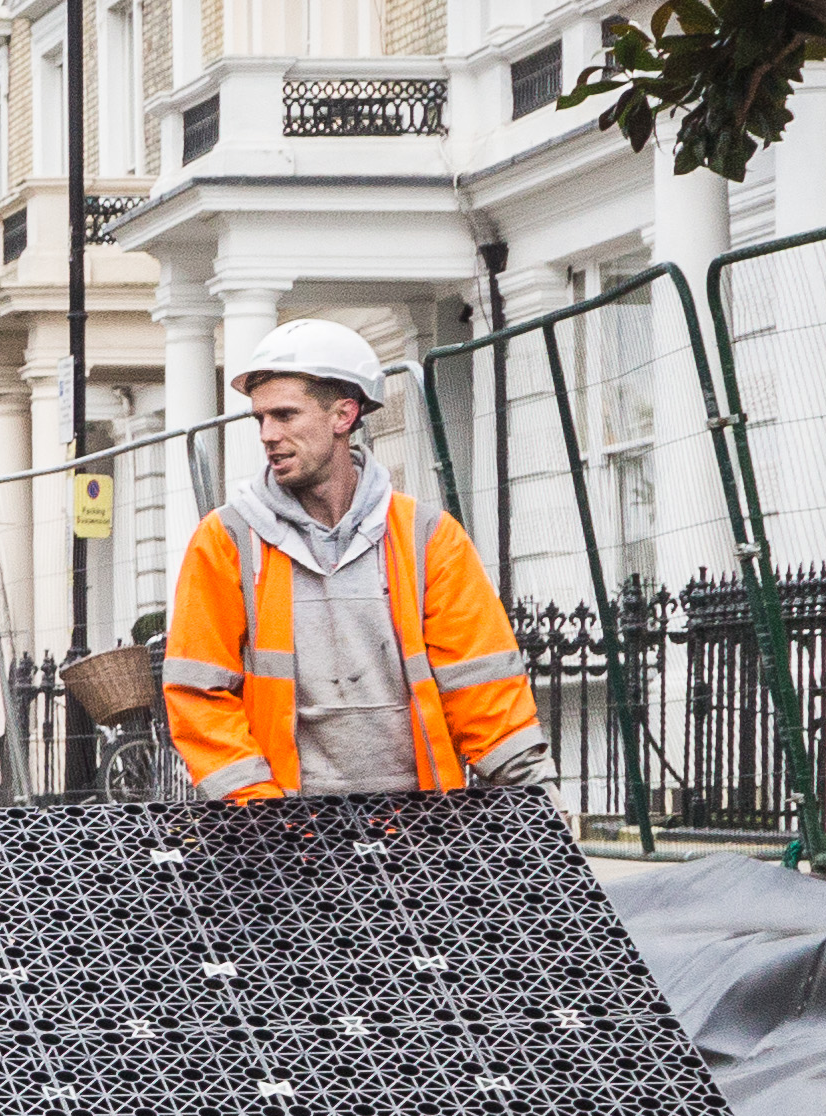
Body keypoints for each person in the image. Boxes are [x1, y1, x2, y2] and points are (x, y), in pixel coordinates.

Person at [164, 319, 545, 799]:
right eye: (259, 418)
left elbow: (483, 686)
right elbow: (198, 695)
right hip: (285, 838)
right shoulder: (226, 540)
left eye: (284, 415)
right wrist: (258, 813)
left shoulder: (427, 537)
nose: (266, 433)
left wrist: (536, 795)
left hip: (416, 830)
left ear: (343, 415)